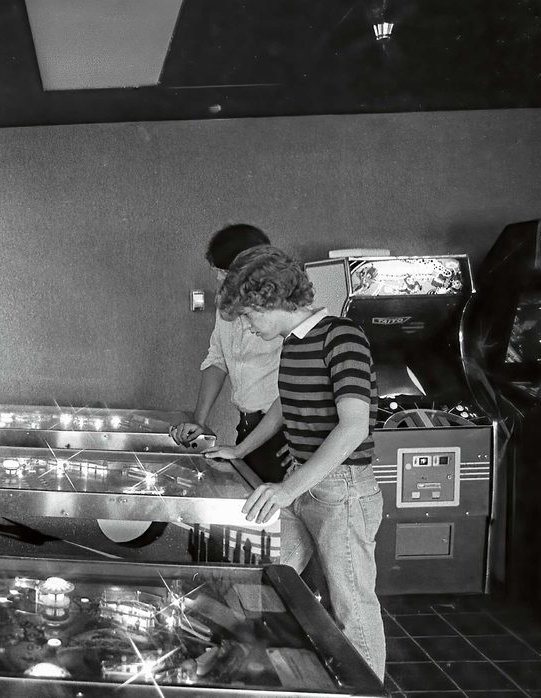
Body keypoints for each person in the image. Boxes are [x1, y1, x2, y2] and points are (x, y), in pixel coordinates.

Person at [203, 245, 386, 680]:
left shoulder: (343, 337)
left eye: (248, 315)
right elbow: (284, 403)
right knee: (266, 575)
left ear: (271, 300)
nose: (245, 325)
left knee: (352, 606)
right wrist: (242, 450)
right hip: (302, 483)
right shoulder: (293, 343)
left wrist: (287, 488)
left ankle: (366, 689)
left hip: (343, 490)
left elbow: (353, 426)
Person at [169, 224, 289, 483]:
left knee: (278, 517)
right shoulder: (228, 306)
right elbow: (218, 358)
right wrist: (199, 421)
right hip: (248, 427)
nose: (218, 280)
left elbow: (295, 387)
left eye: (222, 273)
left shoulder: (286, 311)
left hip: (284, 433)